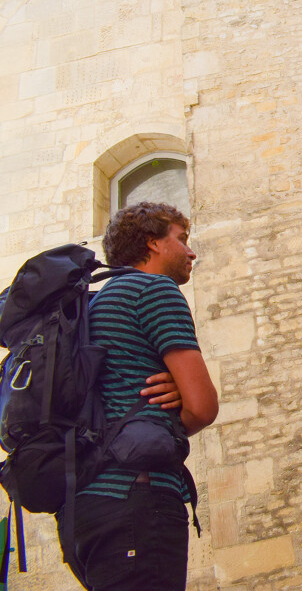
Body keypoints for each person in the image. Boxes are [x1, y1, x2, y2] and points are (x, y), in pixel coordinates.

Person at [57, 202, 219, 591]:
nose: (191, 251)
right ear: (153, 244)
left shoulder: (95, 304)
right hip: (138, 498)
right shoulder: (154, 290)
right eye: (182, 240)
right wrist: (177, 405)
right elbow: (204, 407)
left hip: (85, 509)